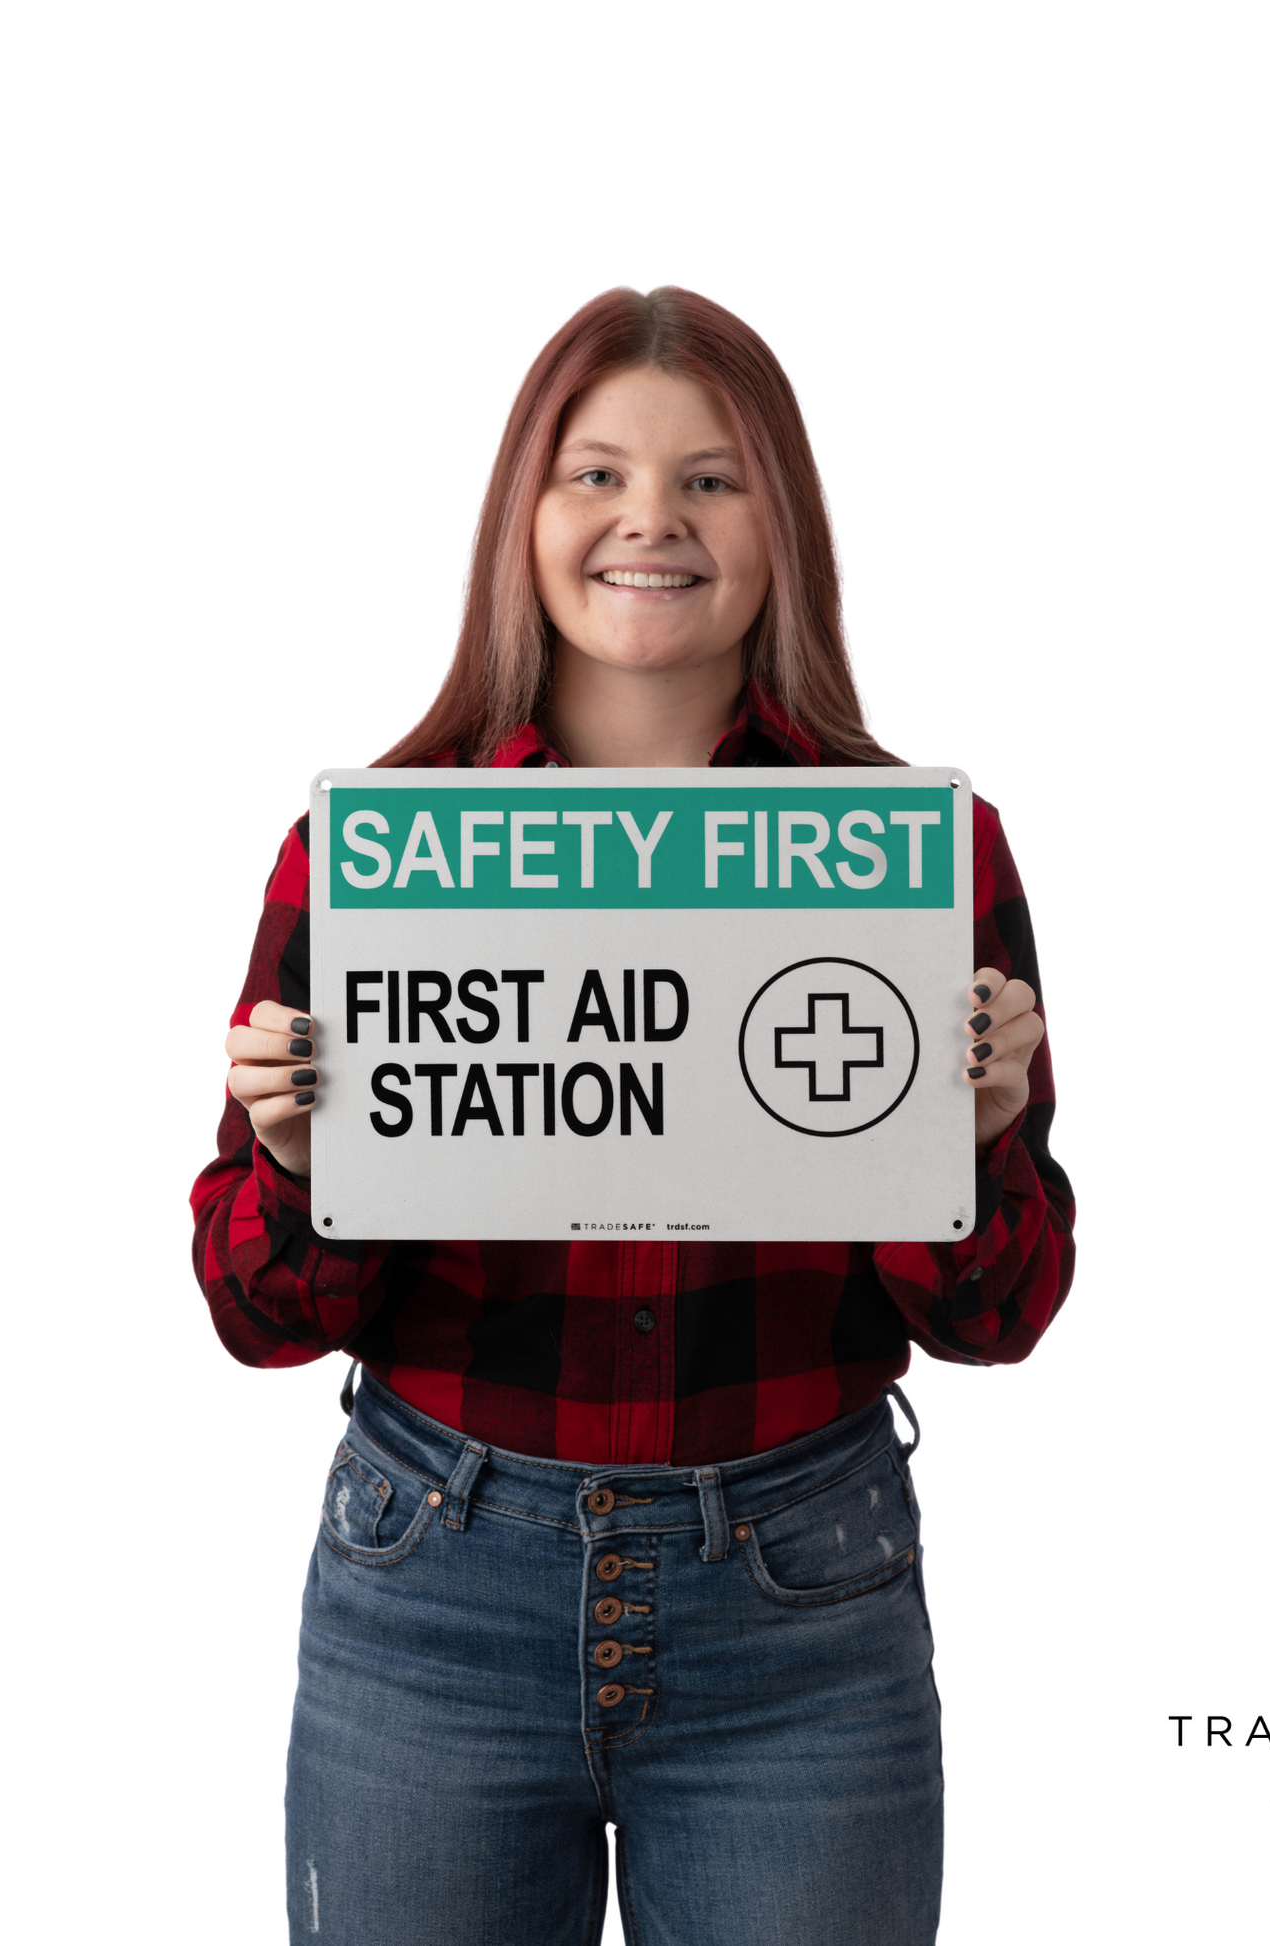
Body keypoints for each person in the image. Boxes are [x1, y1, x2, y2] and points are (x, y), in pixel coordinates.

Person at [190, 287, 1075, 1946]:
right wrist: (305, 1165)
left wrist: (960, 1141)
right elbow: (257, 1315)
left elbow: (999, 1314)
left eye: (710, 479)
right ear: (521, 519)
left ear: (780, 523)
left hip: (800, 1601)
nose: (649, 518)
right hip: (433, 1588)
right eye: (594, 473)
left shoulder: (915, 856)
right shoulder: (377, 852)